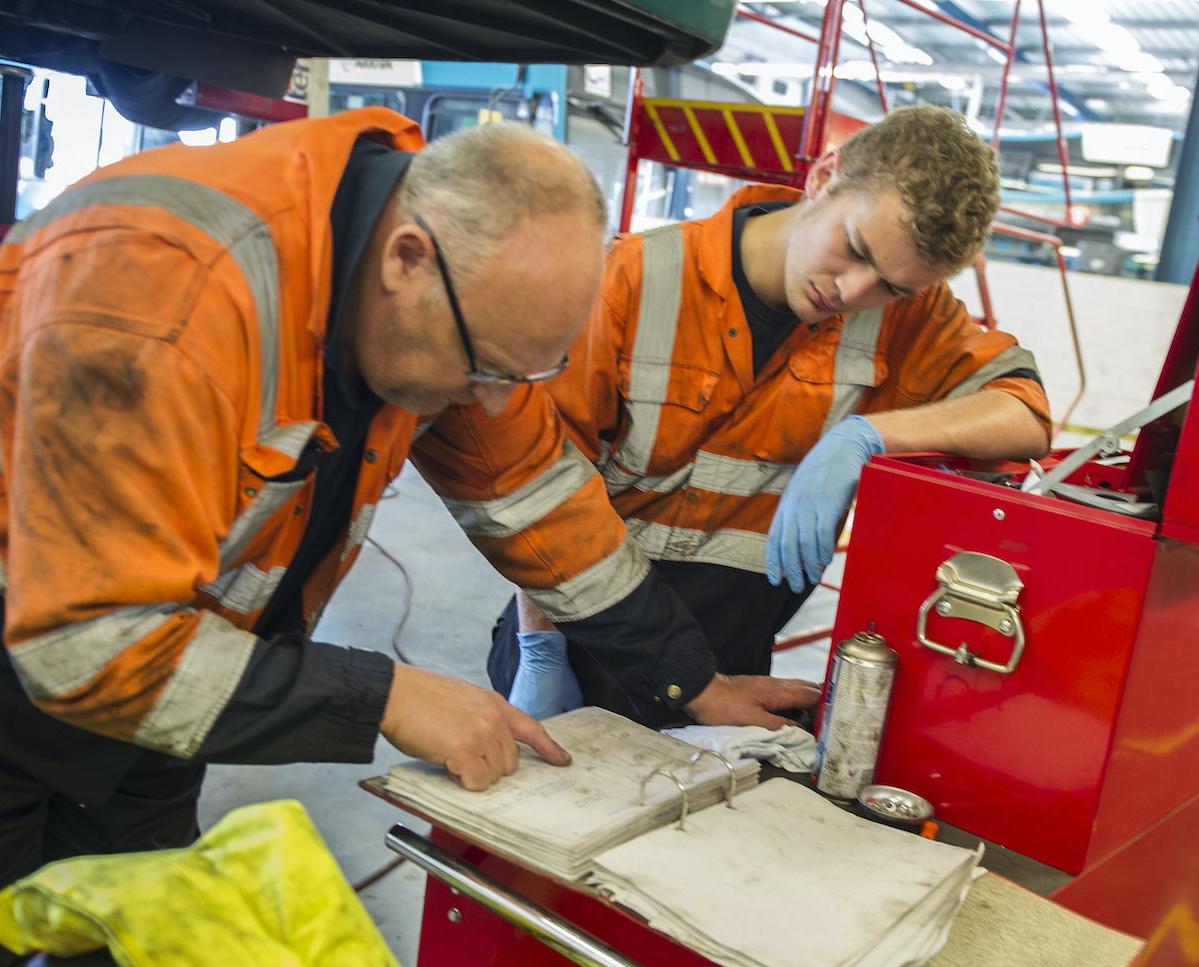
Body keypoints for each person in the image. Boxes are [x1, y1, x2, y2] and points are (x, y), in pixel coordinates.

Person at [0, 111, 804, 967]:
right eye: (486, 367)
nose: (490, 399)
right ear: (408, 258)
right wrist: (386, 698)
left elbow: (533, 491)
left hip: (170, 647)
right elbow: (86, 647)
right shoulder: (162, 294)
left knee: (148, 947)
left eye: (521, 372)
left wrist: (688, 680)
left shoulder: (439, 306)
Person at [416, 105, 1051, 728]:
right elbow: (543, 483)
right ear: (824, 176)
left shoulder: (908, 318)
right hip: (581, 645)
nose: (854, 293)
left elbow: (1023, 410)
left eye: (892, 285)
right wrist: (540, 651)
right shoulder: (634, 280)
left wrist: (869, 435)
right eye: (854, 249)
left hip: (731, 671)